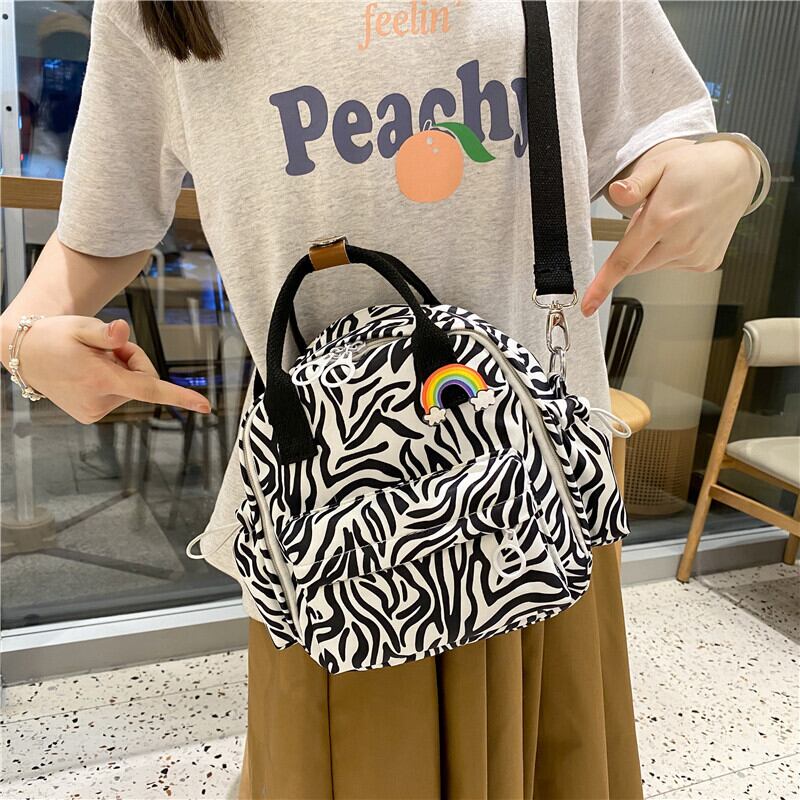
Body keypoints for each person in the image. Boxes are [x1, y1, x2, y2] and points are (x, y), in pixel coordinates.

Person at [1, 1, 763, 798]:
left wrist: (731, 169)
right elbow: (100, 228)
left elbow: (663, 135)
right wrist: (22, 337)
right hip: (332, 529)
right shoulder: (154, 10)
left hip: (531, 496)